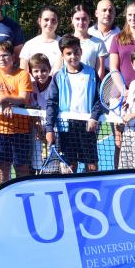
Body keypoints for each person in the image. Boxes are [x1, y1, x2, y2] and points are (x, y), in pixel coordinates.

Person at [45, 35, 106, 173]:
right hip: (66, 128)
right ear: (62, 55)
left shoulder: (91, 73)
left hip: (87, 126)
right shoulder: (58, 76)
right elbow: (52, 103)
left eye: (76, 52)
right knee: (70, 167)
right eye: (68, 53)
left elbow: (100, 99)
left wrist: (94, 117)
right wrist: (49, 129)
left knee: (92, 167)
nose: (73, 56)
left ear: (81, 52)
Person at [0, 40, 33, 183]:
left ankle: (23, 197)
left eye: (5, 55)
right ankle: (1, 197)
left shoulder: (23, 74)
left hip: (21, 130)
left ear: (13, 57)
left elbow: (23, 98)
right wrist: (4, 101)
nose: (2, 59)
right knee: (1, 167)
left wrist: (4, 98)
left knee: (22, 167)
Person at [27, 53, 54, 173]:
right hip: (36, 129)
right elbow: (32, 110)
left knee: (53, 164)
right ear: (31, 72)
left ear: (49, 69)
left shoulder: (55, 84)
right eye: (36, 71)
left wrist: (49, 130)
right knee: (36, 160)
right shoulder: (30, 87)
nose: (40, 74)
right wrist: (39, 130)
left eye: (44, 70)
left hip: (55, 128)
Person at [69, 3, 107, 79]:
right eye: (77, 19)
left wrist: (95, 88)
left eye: (84, 19)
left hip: (89, 88)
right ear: (72, 20)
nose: (81, 22)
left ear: (89, 19)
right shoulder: (65, 41)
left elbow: (100, 72)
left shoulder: (99, 43)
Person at [19, 6, 62, 72]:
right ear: (39, 21)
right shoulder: (29, 44)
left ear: (58, 22)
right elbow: (23, 72)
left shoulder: (64, 44)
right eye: (46, 20)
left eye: (53, 20)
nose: (49, 23)